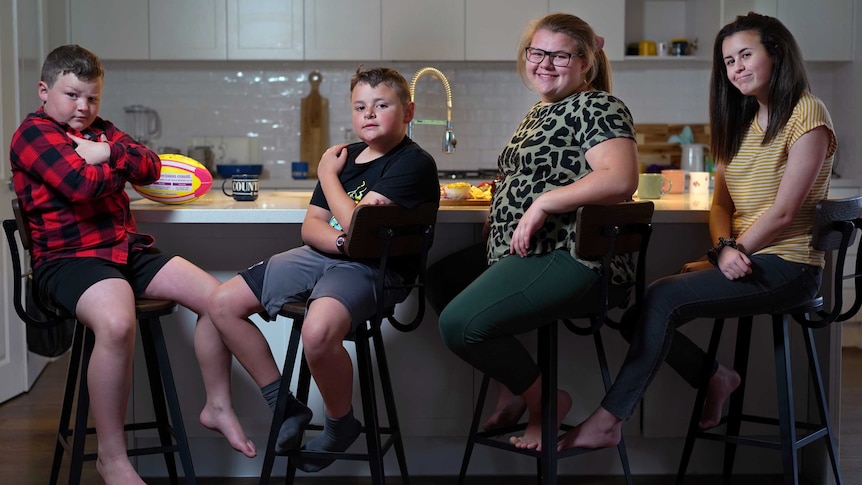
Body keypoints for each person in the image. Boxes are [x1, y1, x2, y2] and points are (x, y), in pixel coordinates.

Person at [561, 12, 836, 451]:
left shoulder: (807, 112)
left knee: (662, 297)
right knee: (639, 313)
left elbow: (784, 213)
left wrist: (726, 253)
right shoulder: (741, 120)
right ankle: (716, 377)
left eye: (746, 54)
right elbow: (722, 203)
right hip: (747, 258)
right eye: (728, 61)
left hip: (791, 265)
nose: (737, 68)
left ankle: (609, 419)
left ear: (777, 53)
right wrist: (723, 250)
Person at [9, 45, 253, 485]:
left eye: (92, 98)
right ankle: (112, 457)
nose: (83, 107)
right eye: (72, 95)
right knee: (118, 321)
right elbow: (80, 186)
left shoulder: (101, 132)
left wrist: (105, 155)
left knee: (222, 298)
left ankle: (217, 406)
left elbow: (153, 164)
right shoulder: (33, 135)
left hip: (125, 250)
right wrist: (123, 165)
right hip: (67, 261)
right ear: (44, 91)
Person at [206, 66, 439, 472]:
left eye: (381, 105)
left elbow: (357, 228)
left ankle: (340, 425)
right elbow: (311, 226)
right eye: (360, 106)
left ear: (409, 111)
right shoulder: (345, 156)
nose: (369, 114)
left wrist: (328, 177)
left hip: (375, 268)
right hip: (327, 255)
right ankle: (284, 404)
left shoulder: (412, 163)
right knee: (222, 303)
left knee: (316, 332)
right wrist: (342, 239)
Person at [437, 12, 639, 451]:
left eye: (560, 55)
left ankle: (547, 400)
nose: (544, 63)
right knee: (440, 280)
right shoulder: (541, 109)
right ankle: (512, 387)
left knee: (459, 324)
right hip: (527, 251)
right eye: (537, 52)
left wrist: (542, 203)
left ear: (585, 62)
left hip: (572, 254)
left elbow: (620, 178)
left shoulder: (598, 105)